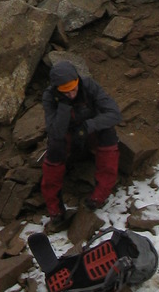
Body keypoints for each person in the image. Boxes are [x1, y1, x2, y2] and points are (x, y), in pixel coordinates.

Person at [40, 59, 122, 227]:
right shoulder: (49, 98)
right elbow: (55, 132)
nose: (71, 94)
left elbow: (114, 113)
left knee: (108, 133)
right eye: (65, 92)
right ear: (56, 89)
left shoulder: (89, 86)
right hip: (67, 138)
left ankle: (99, 196)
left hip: (91, 132)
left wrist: (88, 126)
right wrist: (64, 106)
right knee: (55, 147)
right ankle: (55, 210)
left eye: (73, 89)